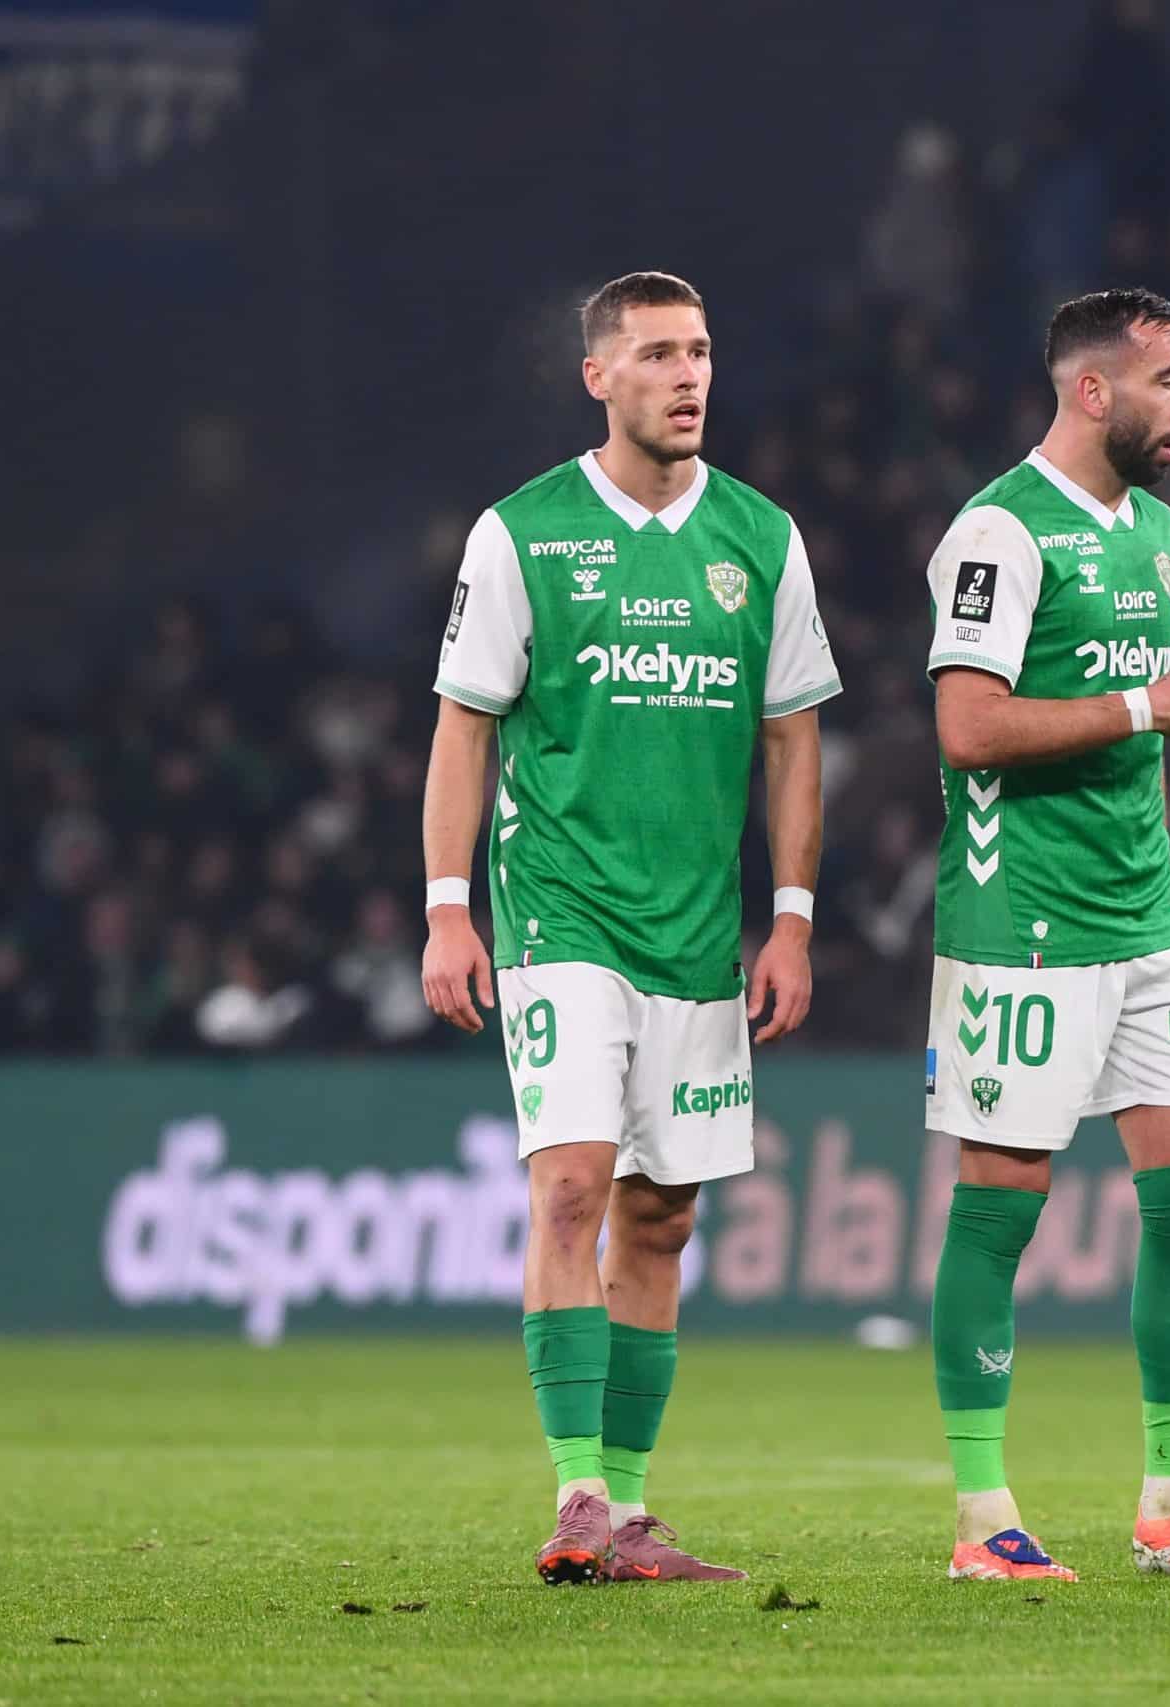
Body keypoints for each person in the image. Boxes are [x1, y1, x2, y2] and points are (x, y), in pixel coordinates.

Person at [421, 271, 841, 1586]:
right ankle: (578, 1493)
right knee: (571, 1186)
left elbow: (793, 741)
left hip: (700, 933)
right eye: (658, 353)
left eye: (702, 350)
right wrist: (448, 911)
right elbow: (462, 728)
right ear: (597, 375)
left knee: (660, 1216)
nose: (688, 374)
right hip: (561, 913)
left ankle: (634, 1508)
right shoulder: (522, 534)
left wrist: (792, 917)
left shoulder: (763, 539)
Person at [921, 288, 1170, 1582]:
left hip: (1145, 917)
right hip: (1025, 924)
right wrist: (1143, 704)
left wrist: (1147, 740)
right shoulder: (999, 535)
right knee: (1001, 1206)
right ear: (1091, 389)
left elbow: (1144, 737)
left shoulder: (1163, 534)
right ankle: (981, 1521)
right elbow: (968, 727)